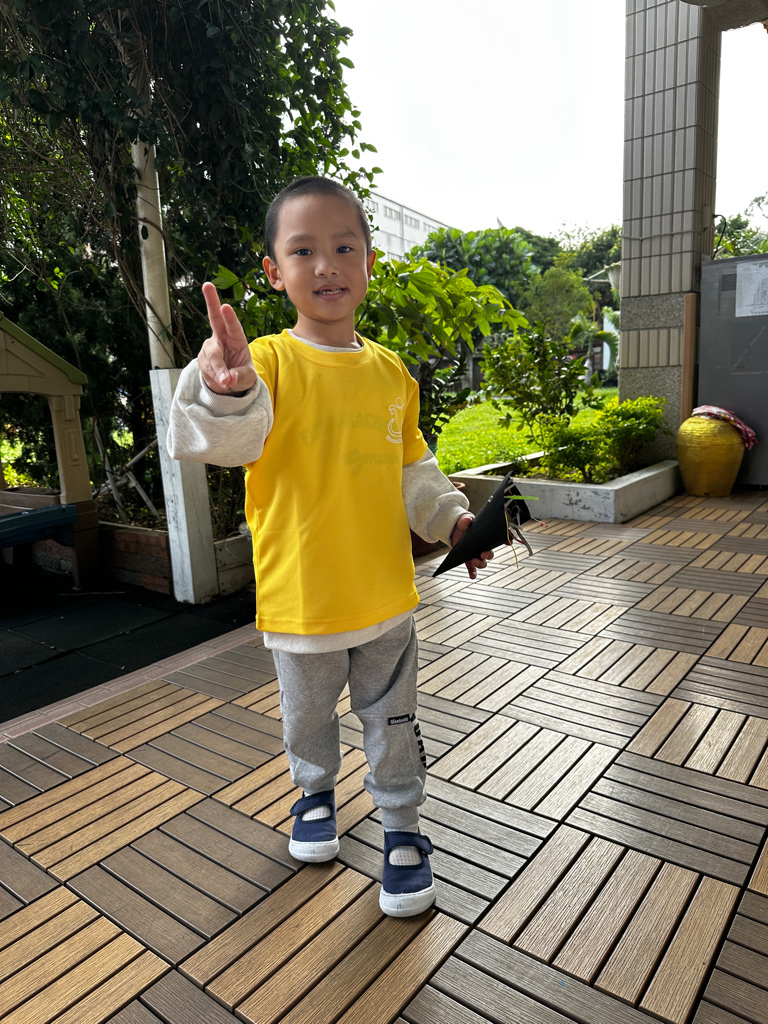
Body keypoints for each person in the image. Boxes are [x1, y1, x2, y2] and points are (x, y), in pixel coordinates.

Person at [167, 176, 492, 917]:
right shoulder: (268, 363)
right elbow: (223, 439)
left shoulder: (391, 373)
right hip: (302, 596)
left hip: (385, 596)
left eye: (345, 247)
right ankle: (313, 794)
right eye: (303, 251)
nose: (326, 266)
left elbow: (414, 470)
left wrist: (454, 522)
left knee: (394, 720)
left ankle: (402, 826)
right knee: (307, 718)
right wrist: (224, 386)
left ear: (369, 261)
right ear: (274, 272)